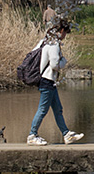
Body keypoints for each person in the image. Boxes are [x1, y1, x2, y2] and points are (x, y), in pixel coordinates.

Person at [27, 17, 84, 146]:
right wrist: (64, 61)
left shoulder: (44, 41)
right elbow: (54, 65)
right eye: (65, 33)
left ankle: (66, 134)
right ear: (62, 30)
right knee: (42, 109)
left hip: (47, 81)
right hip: (47, 81)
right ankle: (32, 135)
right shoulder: (54, 44)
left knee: (58, 109)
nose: (65, 36)